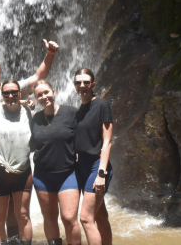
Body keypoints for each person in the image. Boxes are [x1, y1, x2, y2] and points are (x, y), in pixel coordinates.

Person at [0, 39, 59, 241]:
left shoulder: (13, 89)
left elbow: (39, 77)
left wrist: (50, 54)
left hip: (20, 165)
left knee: (19, 213)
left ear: (0, 74)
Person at [31, 80, 82, 245]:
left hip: (68, 173)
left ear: (53, 91)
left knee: (69, 218)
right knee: (49, 216)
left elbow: (86, 134)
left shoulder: (71, 113)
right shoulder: (36, 119)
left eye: (46, 92)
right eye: (39, 95)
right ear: (35, 98)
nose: (44, 96)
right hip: (42, 175)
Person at [0, 80, 34, 245]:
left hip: (23, 171)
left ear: (20, 93)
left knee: (24, 216)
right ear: (2, 95)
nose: (10, 96)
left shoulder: (28, 113)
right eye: (6, 93)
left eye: (14, 92)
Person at [73, 69, 114, 245]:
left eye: (86, 82)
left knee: (85, 218)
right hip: (81, 166)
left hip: (97, 166)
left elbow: (107, 142)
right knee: (100, 215)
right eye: (78, 83)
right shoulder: (80, 110)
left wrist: (101, 173)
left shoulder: (102, 105)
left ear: (93, 85)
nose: (82, 86)